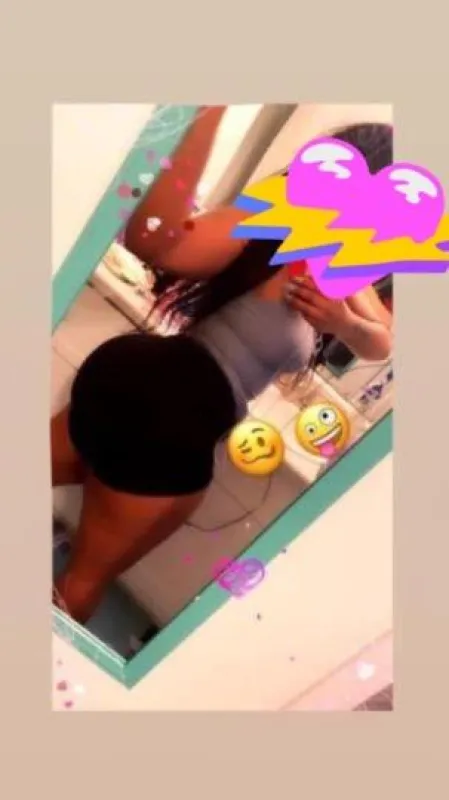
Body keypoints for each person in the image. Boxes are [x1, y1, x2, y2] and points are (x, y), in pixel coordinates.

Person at [52, 107, 393, 623]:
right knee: (83, 583)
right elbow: (154, 239)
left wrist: (342, 322)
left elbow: (380, 342)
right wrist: (205, 112)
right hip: (166, 412)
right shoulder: (272, 221)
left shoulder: (342, 273)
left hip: (168, 409)